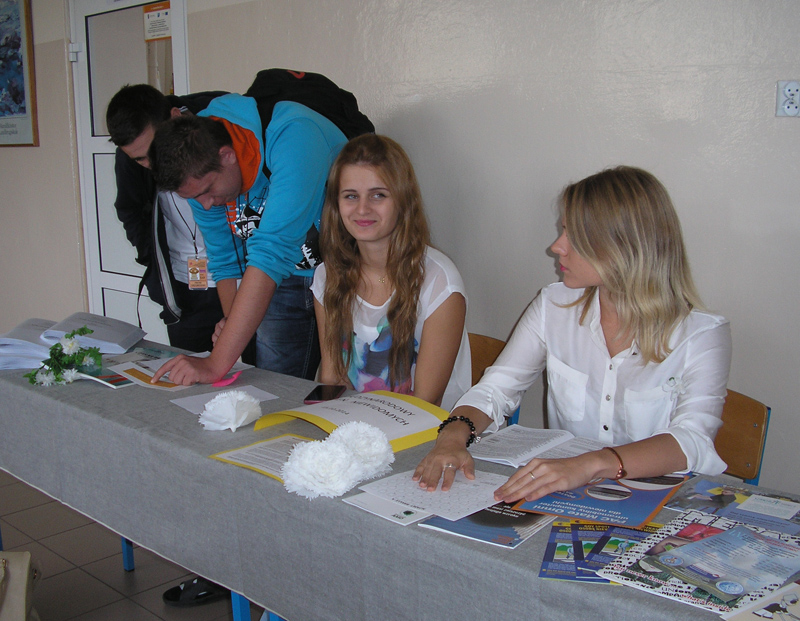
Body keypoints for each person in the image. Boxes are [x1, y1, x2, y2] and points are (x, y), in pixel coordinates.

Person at [414, 166, 732, 504]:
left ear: (624, 246)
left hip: (657, 502)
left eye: (574, 236)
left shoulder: (701, 334)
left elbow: (692, 440)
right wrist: (452, 436)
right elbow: (496, 389)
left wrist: (591, 464)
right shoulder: (553, 305)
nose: (557, 246)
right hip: (567, 496)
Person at [148, 94, 349, 384]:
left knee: (347, 383)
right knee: (276, 386)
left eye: (207, 192)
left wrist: (215, 363)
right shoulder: (197, 177)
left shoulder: (295, 134)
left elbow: (271, 253)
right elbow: (224, 259)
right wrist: (232, 324)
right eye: (194, 198)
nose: (205, 205)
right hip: (285, 279)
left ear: (227, 156)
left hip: (346, 274)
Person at [312, 134, 470, 409]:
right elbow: (332, 379)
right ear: (336, 204)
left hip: (427, 428)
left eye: (378, 195)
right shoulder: (327, 276)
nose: (362, 209)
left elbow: (426, 403)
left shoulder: (439, 282)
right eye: (351, 196)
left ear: (402, 200)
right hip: (353, 423)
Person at [106, 84, 228, 352]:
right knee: (188, 369)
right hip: (183, 286)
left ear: (175, 118)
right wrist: (150, 258)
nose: (153, 164)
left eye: (154, 150)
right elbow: (129, 209)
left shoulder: (217, 123)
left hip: (239, 278)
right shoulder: (131, 155)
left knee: (255, 370)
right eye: (141, 160)